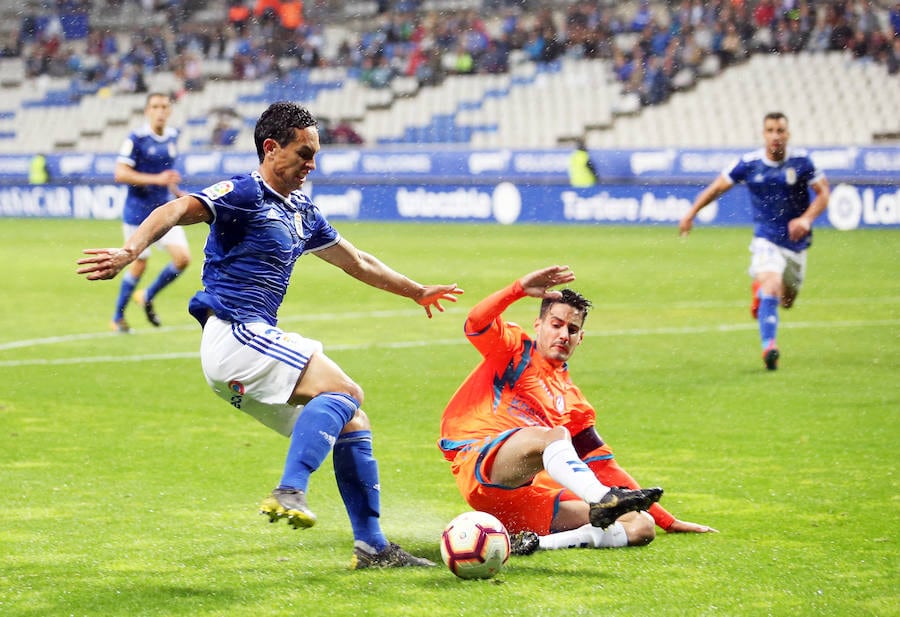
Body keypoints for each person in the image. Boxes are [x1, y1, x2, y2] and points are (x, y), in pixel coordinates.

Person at [77, 101, 463, 569]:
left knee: (351, 421)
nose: (311, 164)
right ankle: (290, 489)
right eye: (303, 153)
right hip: (236, 333)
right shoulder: (243, 193)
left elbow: (357, 261)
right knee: (346, 391)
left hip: (242, 348)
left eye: (315, 154)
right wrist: (129, 249)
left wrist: (417, 291)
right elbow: (177, 207)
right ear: (270, 147)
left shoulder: (302, 210)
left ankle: (373, 547)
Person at [438, 265, 716, 556]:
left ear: (580, 338)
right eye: (556, 324)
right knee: (553, 436)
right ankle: (602, 498)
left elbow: (604, 466)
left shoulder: (573, 401)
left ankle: (534, 545)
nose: (563, 335)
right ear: (539, 325)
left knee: (639, 526)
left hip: (525, 500)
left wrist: (667, 521)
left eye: (572, 329)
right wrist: (517, 289)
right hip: (482, 465)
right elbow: (476, 323)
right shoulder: (514, 351)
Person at [679, 111, 830, 370]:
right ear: (763, 134)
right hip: (766, 239)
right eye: (770, 130)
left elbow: (824, 193)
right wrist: (691, 213)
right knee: (772, 284)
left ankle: (760, 295)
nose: (775, 136)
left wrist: (805, 219)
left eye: (780, 131)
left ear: (788, 134)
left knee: (787, 301)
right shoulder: (749, 163)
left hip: (795, 244)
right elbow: (716, 188)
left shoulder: (803, 161)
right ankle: (769, 347)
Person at [111, 92, 190, 333]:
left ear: (170, 111)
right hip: (138, 214)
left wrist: (176, 191)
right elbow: (121, 174)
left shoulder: (173, 137)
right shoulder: (136, 139)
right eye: (155, 106)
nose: (160, 111)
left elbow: (166, 174)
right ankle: (117, 318)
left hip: (165, 211)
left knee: (182, 259)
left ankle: (146, 294)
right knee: (138, 264)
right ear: (147, 111)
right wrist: (157, 179)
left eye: (164, 106)